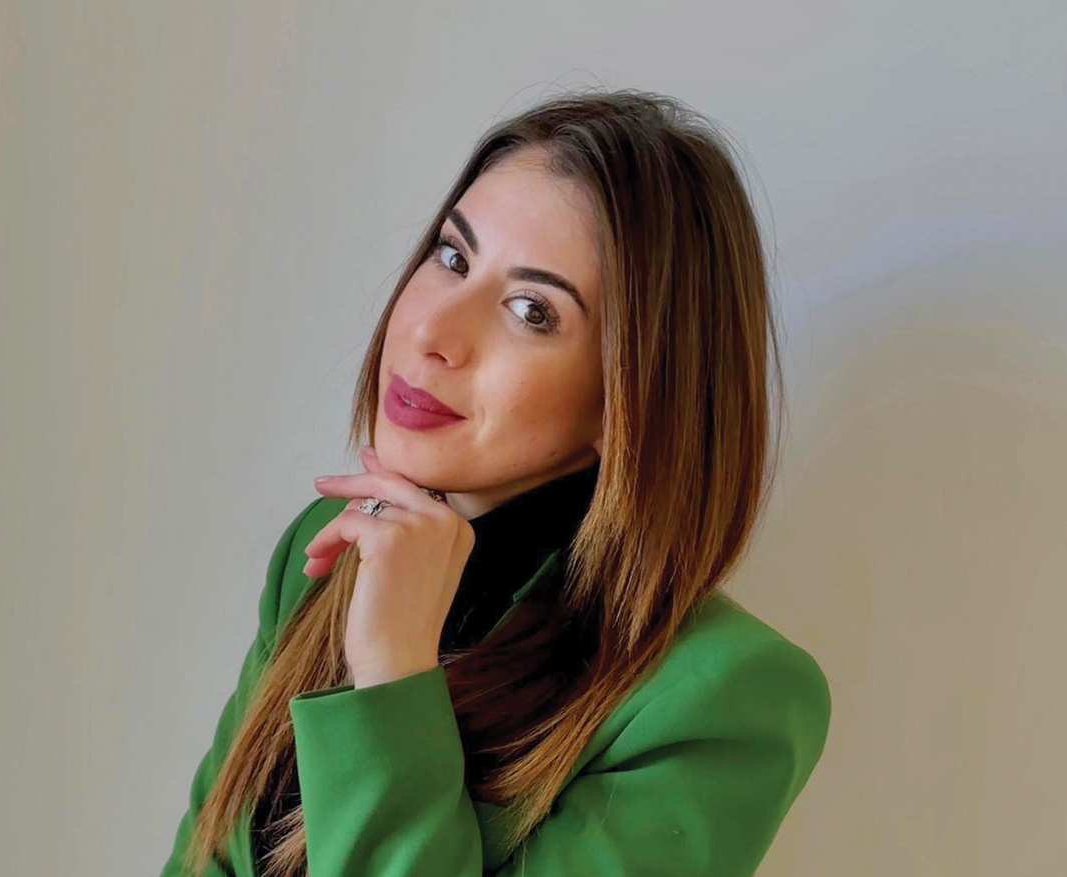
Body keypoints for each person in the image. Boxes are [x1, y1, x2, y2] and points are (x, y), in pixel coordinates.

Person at [160, 87, 831, 877]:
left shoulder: (724, 701)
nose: (432, 331)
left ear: (629, 400)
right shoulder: (327, 548)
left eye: (531, 311)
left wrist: (392, 671)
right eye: (452, 258)